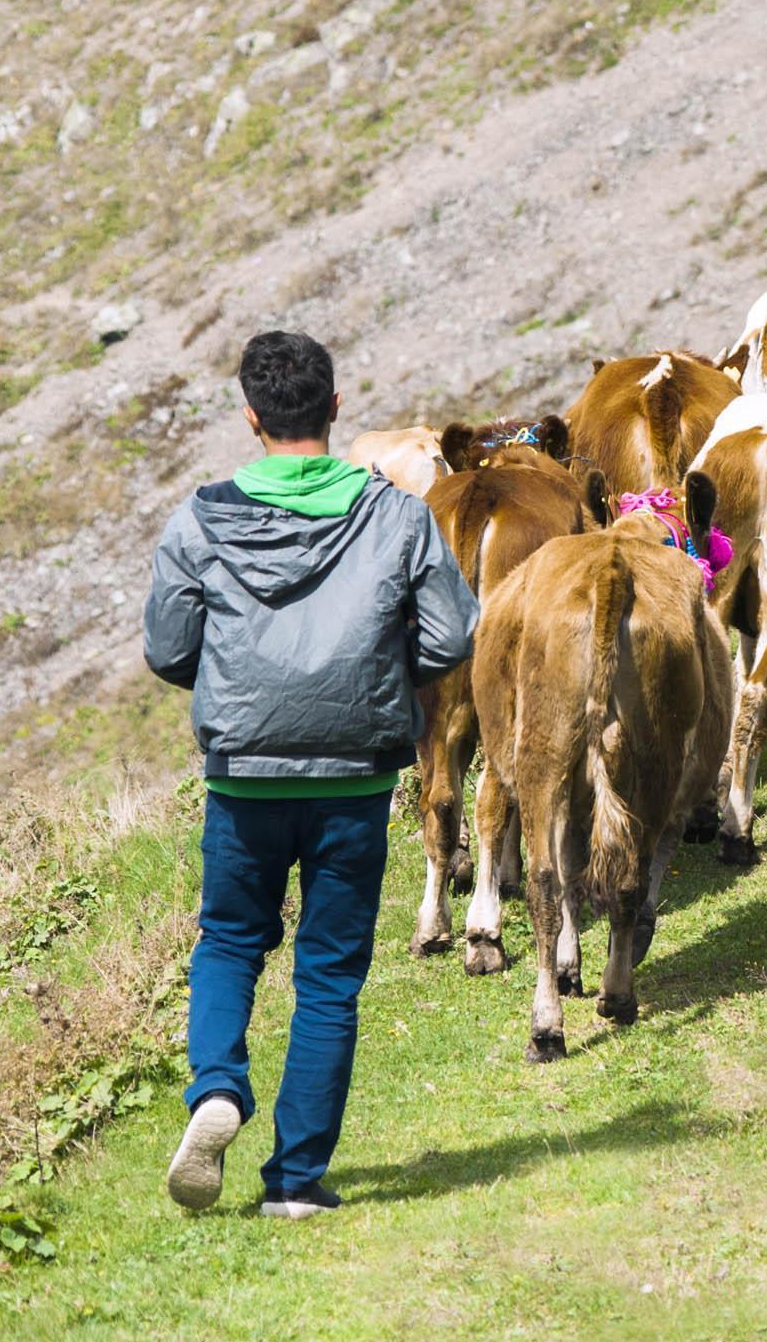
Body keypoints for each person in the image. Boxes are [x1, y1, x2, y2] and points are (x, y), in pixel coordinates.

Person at [142, 330, 477, 1219]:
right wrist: (376, 667)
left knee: (226, 942)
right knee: (329, 973)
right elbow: (450, 638)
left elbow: (167, 648)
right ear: (334, 408)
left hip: (244, 777)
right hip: (354, 780)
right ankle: (293, 1181)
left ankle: (217, 1085)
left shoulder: (201, 518)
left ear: (251, 416)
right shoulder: (397, 515)